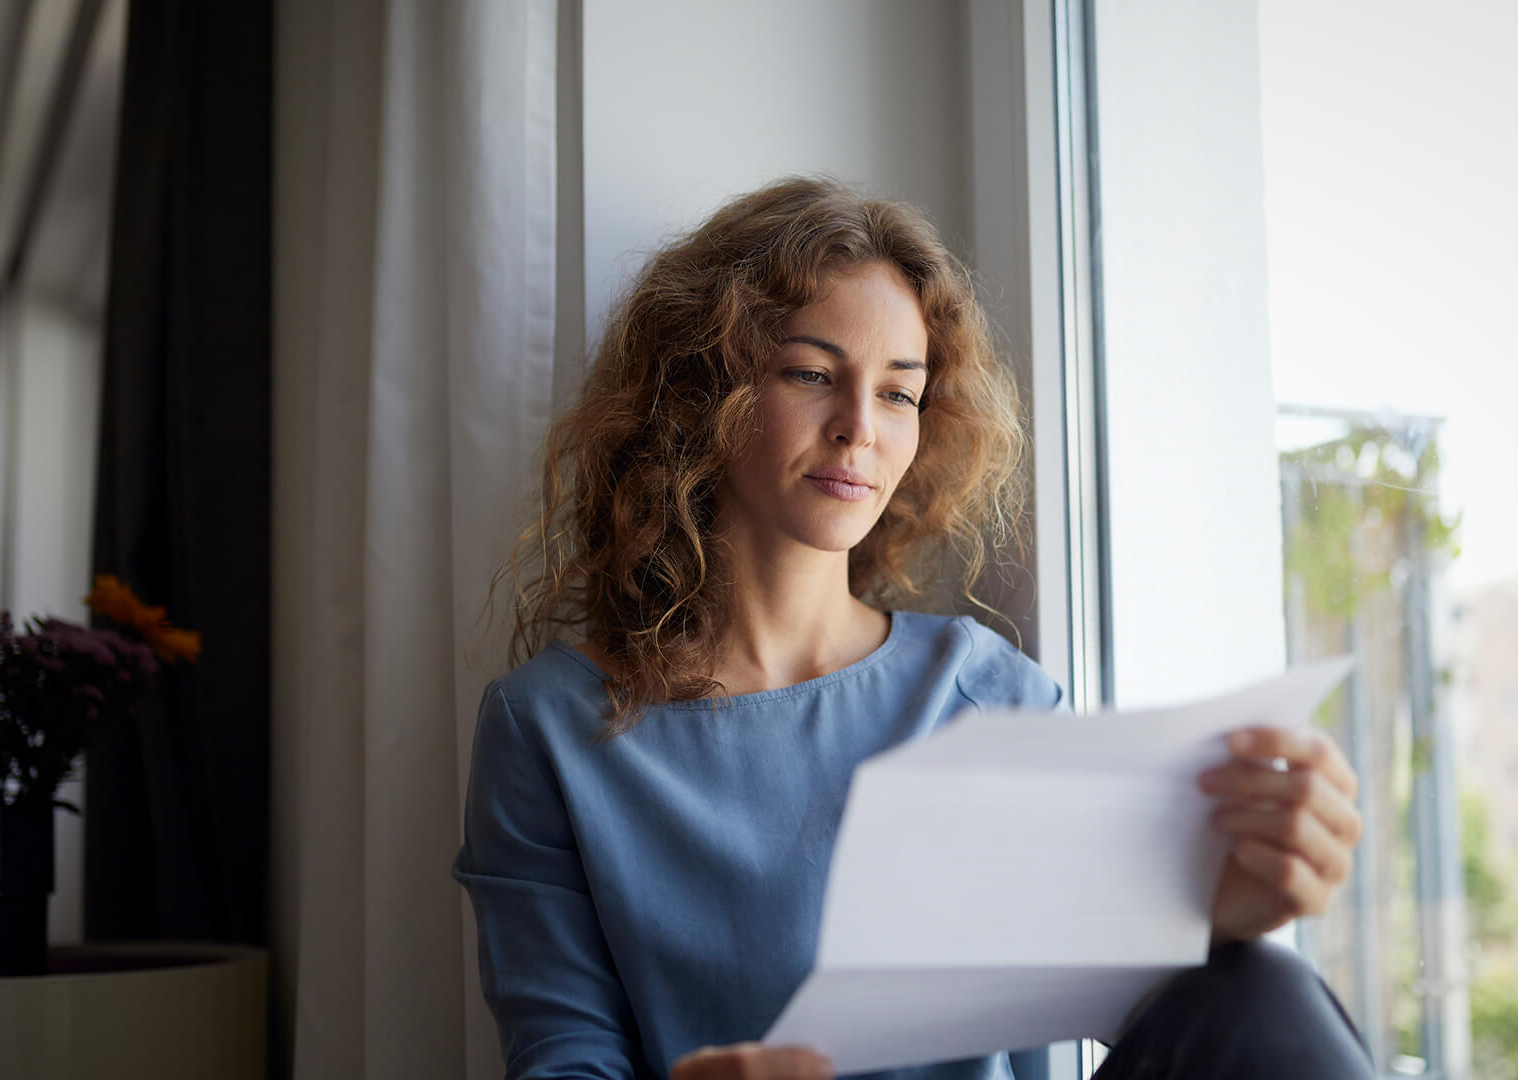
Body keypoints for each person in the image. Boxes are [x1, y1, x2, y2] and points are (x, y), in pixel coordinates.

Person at [452, 177, 1374, 1080]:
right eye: (813, 374)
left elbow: (1134, 997)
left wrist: (1222, 912)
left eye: (899, 393)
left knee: (1260, 989)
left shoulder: (986, 695)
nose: (860, 428)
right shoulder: (550, 729)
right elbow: (561, 1058)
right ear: (704, 392)